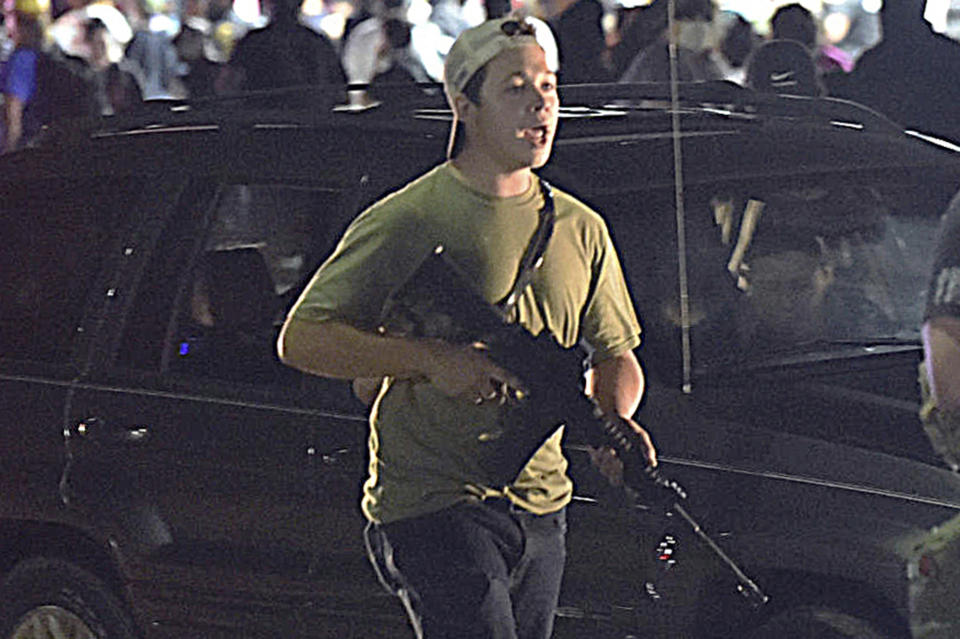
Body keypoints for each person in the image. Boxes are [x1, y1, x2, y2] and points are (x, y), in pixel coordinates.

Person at [277, 14, 656, 638]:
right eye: (514, 87)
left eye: (549, 85)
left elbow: (616, 352)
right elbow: (303, 337)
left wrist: (613, 421)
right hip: (433, 502)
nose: (540, 102)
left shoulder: (580, 227)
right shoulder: (412, 216)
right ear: (465, 105)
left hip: (542, 503)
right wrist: (429, 359)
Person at [214, 0, 346, 97]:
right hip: (312, 127)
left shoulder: (253, 42)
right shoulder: (318, 42)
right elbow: (339, 91)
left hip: (261, 127)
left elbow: (226, 88)